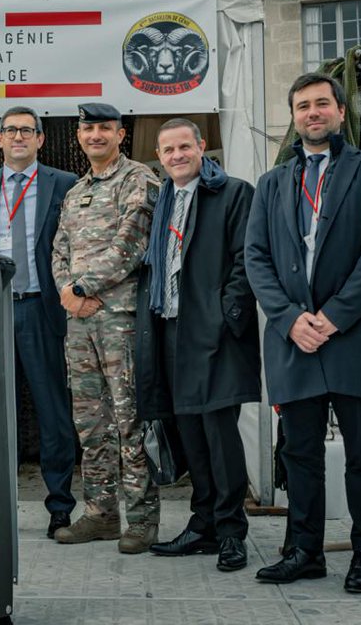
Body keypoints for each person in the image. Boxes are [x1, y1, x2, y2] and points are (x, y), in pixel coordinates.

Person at [244, 73, 361, 593]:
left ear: (338, 111)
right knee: (300, 452)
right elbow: (256, 257)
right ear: (293, 117)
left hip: (352, 333)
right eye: (302, 106)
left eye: (321, 104)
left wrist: (333, 317)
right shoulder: (271, 183)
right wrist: (290, 320)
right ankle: (303, 550)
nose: (312, 113)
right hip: (295, 339)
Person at [135, 118, 260, 572]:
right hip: (171, 329)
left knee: (219, 435)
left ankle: (231, 532)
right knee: (190, 434)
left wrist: (225, 316)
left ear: (201, 147)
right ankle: (203, 524)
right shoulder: (163, 197)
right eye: (167, 150)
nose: (176, 156)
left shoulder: (232, 193)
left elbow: (246, 260)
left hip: (215, 333)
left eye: (184, 147)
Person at [51, 102, 161, 554]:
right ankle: (100, 513)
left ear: (121, 134)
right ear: (79, 135)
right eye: (88, 128)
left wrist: (80, 286)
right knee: (90, 422)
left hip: (120, 321)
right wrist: (67, 291)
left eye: (104, 128)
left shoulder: (139, 180)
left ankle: (140, 519)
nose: (95, 134)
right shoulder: (76, 191)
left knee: (128, 418)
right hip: (79, 322)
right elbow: (58, 248)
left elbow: (130, 245)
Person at [0, 106, 79, 539]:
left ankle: (60, 506)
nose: (18, 137)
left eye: (27, 131)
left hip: (41, 308)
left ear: (40, 140)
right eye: (10, 130)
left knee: (53, 410)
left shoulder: (64, 184)